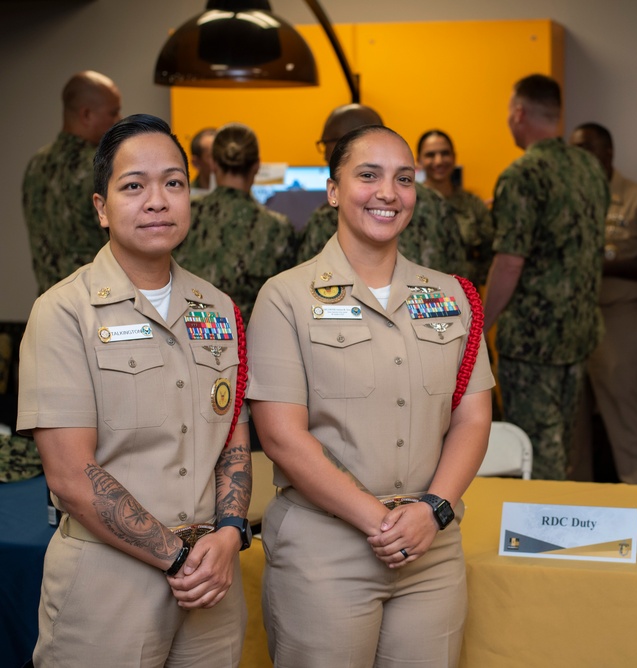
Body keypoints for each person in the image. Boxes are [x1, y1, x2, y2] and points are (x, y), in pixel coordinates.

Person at [247, 125, 493, 667]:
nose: (388, 192)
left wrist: (434, 510)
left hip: (430, 545)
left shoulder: (452, 295)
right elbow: (282, 438)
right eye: (368, 175)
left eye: (403, 179)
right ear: (333, 190)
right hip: (326, 549)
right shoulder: (285, 297)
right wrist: (379, 522)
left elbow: (473, 418)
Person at [17, 114, 252, 666]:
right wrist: (178, 557)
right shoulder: (64, 311)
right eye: (133, 186)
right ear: (101, 208)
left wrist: (231, 532)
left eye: (174, 183)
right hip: (108, 582)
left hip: (213, 580)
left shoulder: (217, 308)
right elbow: (72, 476)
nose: (157, 201)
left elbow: (232, 437)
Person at [484, 74, 608, 481]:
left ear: (519, 113)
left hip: (533, 340)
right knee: (562, 443)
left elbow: (509, 262)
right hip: (578, 332)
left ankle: (540, 535)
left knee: (534, 450)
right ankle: (558, 521)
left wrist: (480, 324)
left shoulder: (523, 174)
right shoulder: (590, 167)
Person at [569, 122, 637, 484]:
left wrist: (606, 267)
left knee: (627, 415)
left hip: (617, 320)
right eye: (574, 149)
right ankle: (572, 503)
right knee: (572, 421)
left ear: (608, 152)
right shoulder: (567, 198)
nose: (580, 156)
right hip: (570, 322)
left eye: (587, 148)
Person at [296, 104, 467, 276]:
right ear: (332, 191)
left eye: (327, 143)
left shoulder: (436, 206)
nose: (324, 153)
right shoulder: (322, 218)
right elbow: (307, 282)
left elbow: (457, 279)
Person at [175, 122, 298, 320]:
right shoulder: (278, 228)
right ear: (257, 165)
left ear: (214, 164)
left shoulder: (184, 215)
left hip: (190, 333)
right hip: (251, 342)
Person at [22, 70, 122, 294]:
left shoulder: (36, 164)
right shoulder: (101, 166)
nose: (118, 120)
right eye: (113, 112)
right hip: (100, 303)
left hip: (50, 303)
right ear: (86, 115)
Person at [417, 129, 495, 287]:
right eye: (430, 155)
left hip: (462, 299)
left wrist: (469, 276)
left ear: (454, 157)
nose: (438, 161)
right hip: (417, 300)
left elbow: (490, 253)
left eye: (444, 153)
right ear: (419, 160)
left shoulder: (472, 204)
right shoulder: (409, 203)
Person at [189, 126, 217, 196]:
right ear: (196, 163)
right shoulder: (185, 196)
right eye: (213, 156)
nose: (221, 161)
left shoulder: (241, 193)